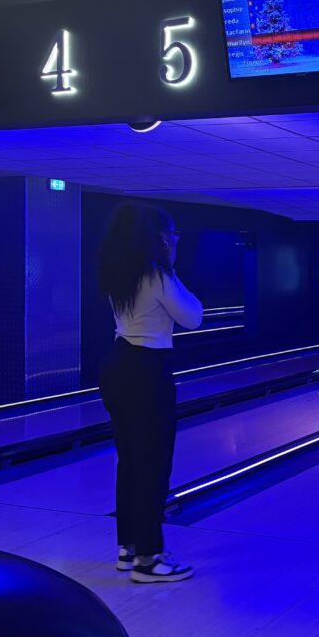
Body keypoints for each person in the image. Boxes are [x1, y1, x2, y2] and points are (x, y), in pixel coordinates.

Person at [97, 202, 203, 583]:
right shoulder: (157, 275)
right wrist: (169, 263)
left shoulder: (118, 273)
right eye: (173, 235)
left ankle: (129, 547)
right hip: (147, 370)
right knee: (154, 465)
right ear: (160, 238)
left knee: (129, 462)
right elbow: (194, 316)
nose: (176, 240)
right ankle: (149, 559)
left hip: (118, 365)